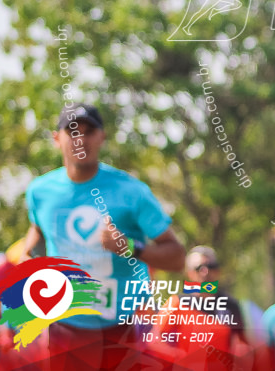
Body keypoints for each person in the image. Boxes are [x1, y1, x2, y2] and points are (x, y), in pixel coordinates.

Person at [21, 103, 186, 369]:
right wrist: (27, 257)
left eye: (89, 131)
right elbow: (37, 231)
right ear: (56, 138)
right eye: (72, 131)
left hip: (121, 329)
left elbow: (178, 258)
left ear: (102, 137)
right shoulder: (40, 192)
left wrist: (130, 246)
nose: (80, 139)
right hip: (63, 328)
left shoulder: (131, 191)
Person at [151, 246, 252, 367]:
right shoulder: (176, 303)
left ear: (218, 271)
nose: (206, 272)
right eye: (199, 268)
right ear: (189, 273)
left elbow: (242, 344)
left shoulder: (231, 305)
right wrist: (178, 358)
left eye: (211, 266)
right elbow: (153, 341)